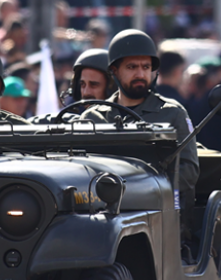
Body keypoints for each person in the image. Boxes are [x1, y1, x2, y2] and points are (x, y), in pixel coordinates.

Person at [83, 29, 199, 202]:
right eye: (131, 67)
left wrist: (141, 188)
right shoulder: (92, 118)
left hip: (158, 213)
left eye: (146, 67)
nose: (140, 74)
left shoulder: (172, 113)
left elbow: (188, 171)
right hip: (102, 209)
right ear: (114, 71)